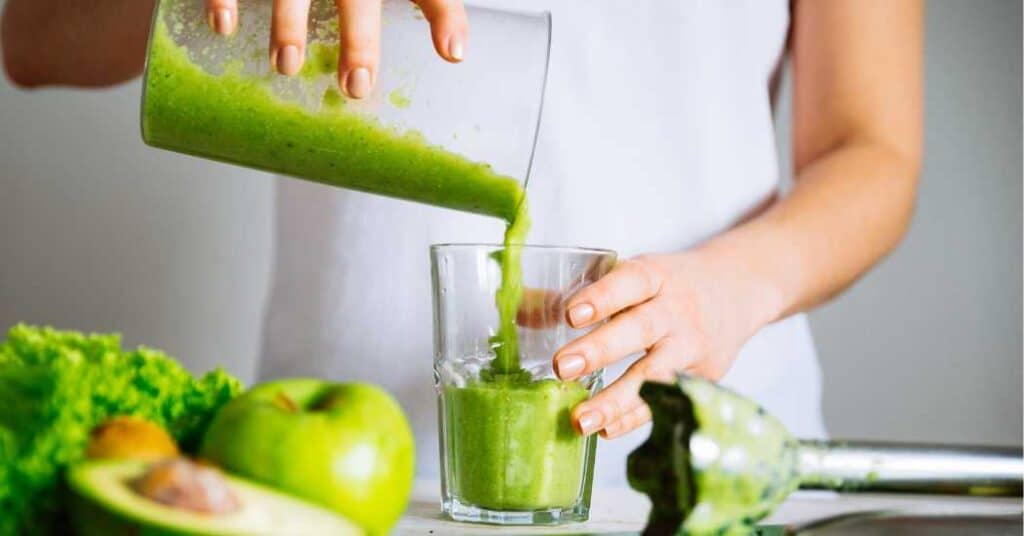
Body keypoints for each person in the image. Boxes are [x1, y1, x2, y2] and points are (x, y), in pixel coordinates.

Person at [3, 0, 922, 484]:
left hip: (699, 463)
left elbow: (872, 148)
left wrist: (731, 288)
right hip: (340, 478)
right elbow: (35, 37)